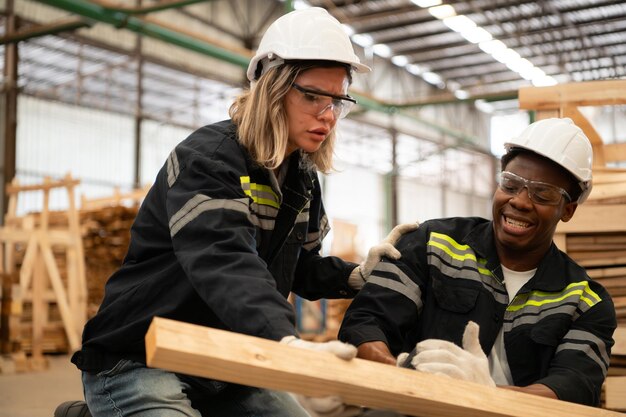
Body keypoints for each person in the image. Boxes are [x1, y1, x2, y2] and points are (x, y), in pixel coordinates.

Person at [69, 7, 417, 417]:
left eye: (337, 101)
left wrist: (355, 275)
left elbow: (298, 267)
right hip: (140, 353)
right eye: (312, 96)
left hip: (224, 363)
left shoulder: (301, 177)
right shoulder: (208, 159)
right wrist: (285, 342)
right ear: (272, 87)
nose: (327, 114)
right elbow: (223, 257)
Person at [338, 117, 617, 410]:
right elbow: (368, 321)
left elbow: (574, 385)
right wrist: (402, 376)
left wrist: (486, 396)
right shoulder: (434, 244)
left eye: (542, 193)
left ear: (568, 210)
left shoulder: (585, 301)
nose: (520, 201)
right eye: (511, 184)